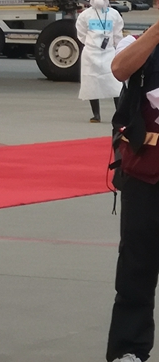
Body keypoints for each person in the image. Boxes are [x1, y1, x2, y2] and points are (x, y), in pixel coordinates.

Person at [105, 19, 159, 362]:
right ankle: (129, 348)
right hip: (146, 170)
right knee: (136, 263)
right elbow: (119, 69)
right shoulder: (140, 44)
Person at [76, 0, 123, 122]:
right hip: (90, 54)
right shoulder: (85, 15)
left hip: (109, 53)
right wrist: (91, 44)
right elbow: (81, 33)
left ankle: (120, 113)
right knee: (92, 83)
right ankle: (96, 115)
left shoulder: (114, 14)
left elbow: (117, 33)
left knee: (115, 83)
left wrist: (117, 47)